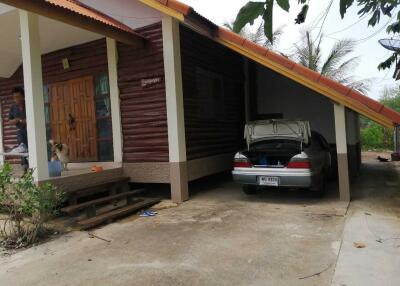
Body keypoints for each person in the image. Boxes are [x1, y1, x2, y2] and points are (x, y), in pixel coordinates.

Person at [8, 87, 28, 171]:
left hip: (30, 131)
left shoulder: (28, 104)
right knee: (22, 151)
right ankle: (25, 170)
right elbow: (10, 120)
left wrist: (22, 120)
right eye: (15, 97)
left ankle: (34, 168)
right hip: (21, 132)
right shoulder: (13, 107)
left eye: (18, 96)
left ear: (23, 96)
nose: (16, 99)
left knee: (30, 150)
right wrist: (15, 120)